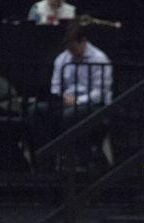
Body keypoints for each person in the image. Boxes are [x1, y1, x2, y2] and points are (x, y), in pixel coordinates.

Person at [29, 23, 112, 152]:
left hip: (93, 105)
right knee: (36, 110)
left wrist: (77, 101)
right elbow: (55, 86)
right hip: (65, 102)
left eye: (74, 48)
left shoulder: (100, 59)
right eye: (69, 48)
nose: (72, 52)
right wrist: (60, 98)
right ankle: (45, 155)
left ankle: (76, 158)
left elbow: (100, 92)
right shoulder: (62, 58)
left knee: (69, 115)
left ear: (83, 41)